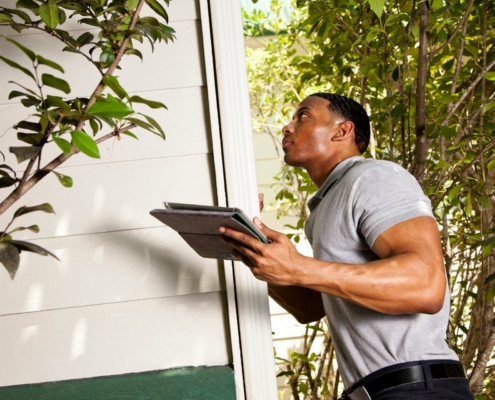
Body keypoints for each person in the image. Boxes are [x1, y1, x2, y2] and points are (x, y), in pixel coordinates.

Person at [219, 93, 474, 399]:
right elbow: (310, 307)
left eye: (302, 116)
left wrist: (299, 266)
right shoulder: (325, 207)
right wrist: (251, 246)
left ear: (342, 131)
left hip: (417, 388)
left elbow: (426, 284)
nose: (287, 128)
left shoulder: (374, 176)